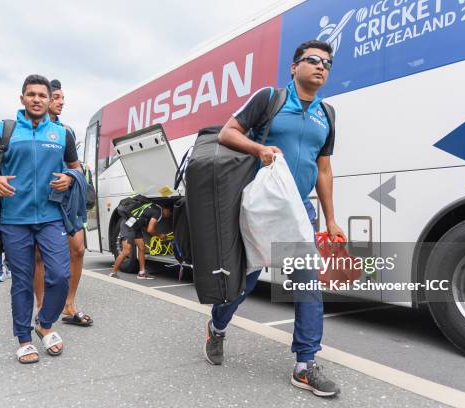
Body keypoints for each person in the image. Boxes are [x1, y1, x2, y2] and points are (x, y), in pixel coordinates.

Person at [204, 40, 346, 397]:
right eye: (312, 60)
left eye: (327, 64)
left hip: (300, 210)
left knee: (308, 284)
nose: (320, 67)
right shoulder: (270, 99)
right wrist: (259, 148)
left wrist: (331, 219)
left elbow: (324, 169)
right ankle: (217, 326)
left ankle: (305, 364)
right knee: (246, 282)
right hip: (262, 207)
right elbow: (227, 132)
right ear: (294, 66)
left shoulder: (327, 115)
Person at [0, 74, 81, 364]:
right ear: (22, 98)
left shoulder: (62, 134)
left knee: (60, 275)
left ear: (49, 101)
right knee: (22, 281)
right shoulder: (6, 129)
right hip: (14, 218)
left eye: (42, 95)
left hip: (51, 216)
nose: (37, 99)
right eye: (31, 94)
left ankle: (45, 323)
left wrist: (70, 177)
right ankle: (24, 339)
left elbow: (77, 167)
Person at [33, 79, 92, 327]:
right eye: (56, 97)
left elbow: (74, 166)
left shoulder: (66, 131)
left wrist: (71, 177)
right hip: (39, 199)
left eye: (62, 99)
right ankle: (42, 307)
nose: (61, 102)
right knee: (38, 256)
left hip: (66, 199)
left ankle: (69, 304)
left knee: (77, 249)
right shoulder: (31, 128)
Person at [110, 203, 172, 280]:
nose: (168, 216)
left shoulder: (154, 207)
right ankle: (113, 273)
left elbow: (144, 224)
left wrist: (153, 234)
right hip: (128, 226)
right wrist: (160, 235)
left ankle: (142, 273)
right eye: (169, 213)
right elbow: (150, 229)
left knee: (142, 248)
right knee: (126, 251)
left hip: (136, 226)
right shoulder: (158, 212)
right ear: (166, 210)